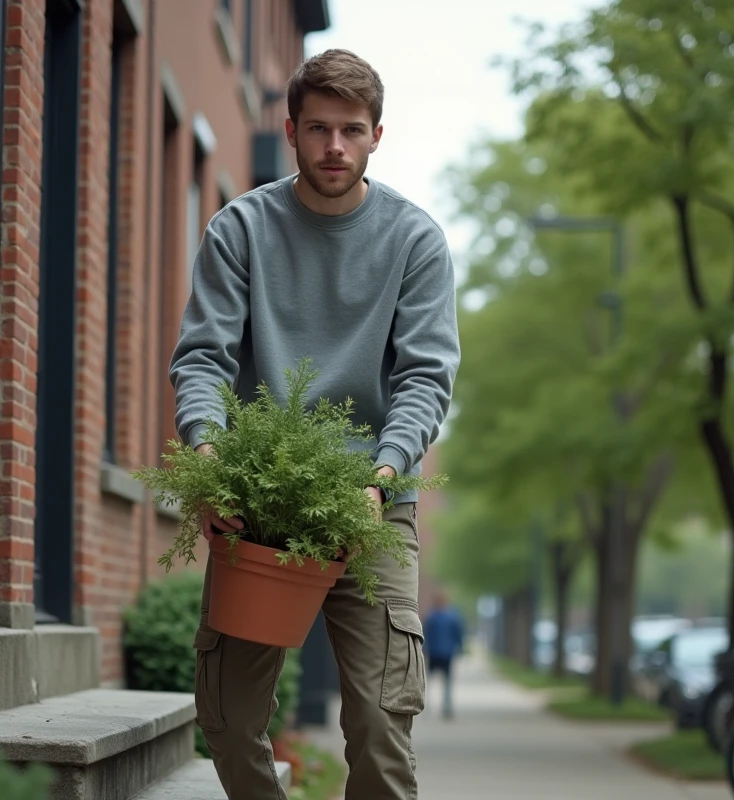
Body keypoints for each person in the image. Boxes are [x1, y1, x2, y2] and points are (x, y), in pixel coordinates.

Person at [168, 48, 460, 800]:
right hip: (259, 503)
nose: (336, 147)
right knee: (230, 720)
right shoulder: (240, 231)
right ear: (292, 130)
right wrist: (206, 459)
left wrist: (381, 475)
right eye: (320, 129)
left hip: (374, 502)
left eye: (352, 131)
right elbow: (202, 359)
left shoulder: (414, 241)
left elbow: (425, 379)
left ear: (376, 136)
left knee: (379, 722)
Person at [423, 591, 465, 719]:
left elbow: (426, 633)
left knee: (439, 681)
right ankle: (442, 706)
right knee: (443, 681)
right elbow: (458, 633)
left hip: (440, 652)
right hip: (443, 652)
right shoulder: (451, 616)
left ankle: (442, 706)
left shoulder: (432, 616)